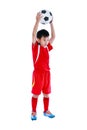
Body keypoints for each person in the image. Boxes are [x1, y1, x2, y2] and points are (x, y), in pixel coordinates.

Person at [31, 12, 55, 120]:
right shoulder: (36, 47)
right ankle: (33, 112)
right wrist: (37, 21)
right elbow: (33, 34)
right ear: (39, 40)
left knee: (46, 94)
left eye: (47, 39)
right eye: (44, 40)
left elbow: (54, 36)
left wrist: (51, 23)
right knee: (36, 94)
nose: (46, 41)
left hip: (47, 74)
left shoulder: (47, 47)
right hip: (38, 74)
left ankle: (46, 110)